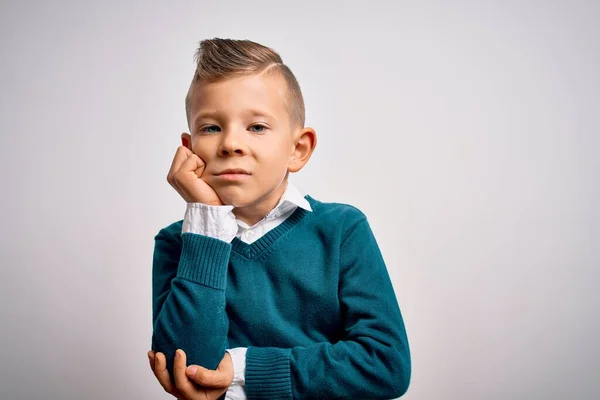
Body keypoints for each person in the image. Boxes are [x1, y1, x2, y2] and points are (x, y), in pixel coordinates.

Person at [147, 38, 411, 400]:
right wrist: (206, 224)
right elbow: (189, 370)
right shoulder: (178, 244)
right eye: (210, 128)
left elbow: (386, 364)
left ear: (297, 149)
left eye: (256, 127)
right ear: (189, 148)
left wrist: (242, 369)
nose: (230, 144)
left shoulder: (342, 230)